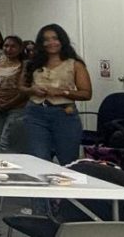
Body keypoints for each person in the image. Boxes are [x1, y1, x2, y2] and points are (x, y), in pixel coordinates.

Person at [19, 24, 91, 166]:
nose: (51, 43)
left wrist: (61, 92)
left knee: (68, 162)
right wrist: (32, 90)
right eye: (46, 40)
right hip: (35, 113)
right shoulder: (32, 63)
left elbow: (86, 93)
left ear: (62, 40)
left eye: (55, 38)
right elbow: (21, 87)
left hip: (64, 114)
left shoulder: (75, 64)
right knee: (39, 160)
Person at [0, 36, 28, 151]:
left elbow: (25, 92)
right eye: (6, 46)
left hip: (17, 108)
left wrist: (6, 105)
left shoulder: (24, 65)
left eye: (13, 46)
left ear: (20, 48)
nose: (9, 49)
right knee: (2, 138)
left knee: (6, 142)